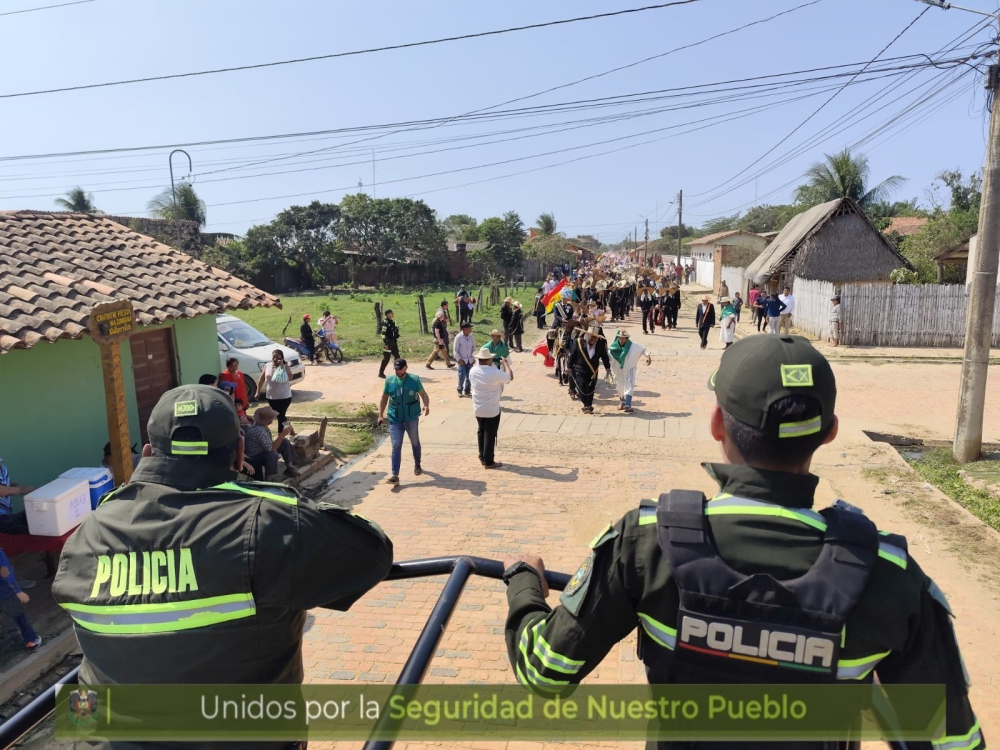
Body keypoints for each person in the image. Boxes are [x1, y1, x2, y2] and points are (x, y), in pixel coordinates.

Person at [501, 335, 985, 750]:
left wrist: (524, 583)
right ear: (830, 433)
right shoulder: (889, 576)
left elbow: (544, 671)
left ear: (717, 425)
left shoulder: (645, 545)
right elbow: (951, 741)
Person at [52, 384, 393, 729]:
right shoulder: (268, 522)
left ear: (151, 451)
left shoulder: (87, 535)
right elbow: (373, 554)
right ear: (238, 452)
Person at [378, 358, 430, 484]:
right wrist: (380, 415)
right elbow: (384, 398)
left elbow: (424, 394)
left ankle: (417, 464)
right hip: (395, 418)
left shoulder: (414, 380)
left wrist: (426, 405)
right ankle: (395, 474)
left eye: (400, 369)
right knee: (396, 445)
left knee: (415, 442)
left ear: (406, 368)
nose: (398, 371)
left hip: (411, 418)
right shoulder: (389, 381)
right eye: (396, 369)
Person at [469, 346, 513, 469]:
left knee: (481, 430)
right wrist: (505, 364)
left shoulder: (473, 371)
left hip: (478, 407)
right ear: (488, 360)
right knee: (490, 433)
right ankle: (488, 461)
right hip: (492, 409)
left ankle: (482, 456)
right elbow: (509, 377)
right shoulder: (494, 373)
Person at [0, 548, 41, 651]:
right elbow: (5, 574)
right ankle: (31, 641)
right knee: (20, 617)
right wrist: (18, 591)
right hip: (5, 593)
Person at [244, 406, 299, 479]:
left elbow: (269, 443)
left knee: (284, 442)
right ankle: (269, 478)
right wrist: (282, 435)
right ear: (269, 421)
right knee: (272, 454)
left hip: (261, 451)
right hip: (253, 457)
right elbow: (271, 448)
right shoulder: (259, 431)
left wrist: (280, 437)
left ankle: (290, 467)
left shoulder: (261, 426)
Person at [567, 323, 611, 415]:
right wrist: (569, 367)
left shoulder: (600, 344)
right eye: (591, 337)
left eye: (595, 338)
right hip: (580, 369)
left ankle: (589, 405)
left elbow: (604, 357)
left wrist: (607, 368)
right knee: (582, 387)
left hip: (593, 371)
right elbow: (572, 355)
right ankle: (586, 404)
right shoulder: (578, 342)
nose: (593, 340)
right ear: (587, 336)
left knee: (591, 389)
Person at [608, 328, 650, 413]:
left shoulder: (633, 345)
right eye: (619, 338)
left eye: (623, 338)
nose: (621, 340)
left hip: (630, 368)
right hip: (619, 370)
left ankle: (628, 405)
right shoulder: (614, 347)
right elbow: (608, 355)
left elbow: (642, 349)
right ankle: (622, 402)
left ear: (627, 338)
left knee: (629, 386)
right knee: (619, 386)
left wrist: (648, 356)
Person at [257, 349, 294, 433]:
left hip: (284, 396)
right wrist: (257, 391)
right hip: (271, 397)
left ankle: (280, 436)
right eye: (274, 357)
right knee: (280, 416)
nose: (275, 359)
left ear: (282, 358)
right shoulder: (267, 366)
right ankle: (290, 428)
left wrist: (282, 366)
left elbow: (290, 377)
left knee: (280, 416)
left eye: (278, 357)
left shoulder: (285, 366)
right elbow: (261, 379)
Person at [0, 457, 35, 537]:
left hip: (6, 515)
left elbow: (4, 482)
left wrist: (14, 486)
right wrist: (20, 490)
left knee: (34, 518)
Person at [453, 321, 477, 398]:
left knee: (469, 376)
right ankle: (459, 390)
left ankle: (467, 390)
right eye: (469, 327)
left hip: (469, 359)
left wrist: (473, 358)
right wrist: (459, 359)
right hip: (462, 360)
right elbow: (455, 350)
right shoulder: (458, 337)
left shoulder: (471, 337)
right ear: (464, 328)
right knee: (462, 375)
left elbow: (474, 348)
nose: (470, 329)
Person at [378, 309, 400, 379]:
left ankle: (398, 372)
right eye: (391, 313)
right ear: (388, 314)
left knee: (397, 357)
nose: (393, 314)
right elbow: (383, 334)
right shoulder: (385, 322)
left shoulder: (391, 322)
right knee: (386, 358)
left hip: (393, 342)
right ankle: (381, 373)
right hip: (388, 343)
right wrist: (386, 343)